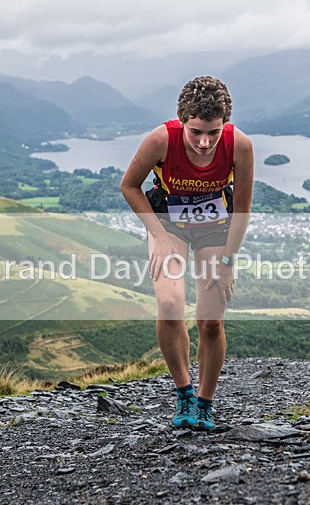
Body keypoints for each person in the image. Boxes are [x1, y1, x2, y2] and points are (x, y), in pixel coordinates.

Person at [120, 76, 253, 430]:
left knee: (210, 320)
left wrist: (228, 262)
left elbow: (242, 210)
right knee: (169, 303)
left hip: (215, 227)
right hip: (168, 224)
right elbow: (129, 185)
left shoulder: (239, 145)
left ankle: (206, 404)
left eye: (213, 131)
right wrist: (158, 235)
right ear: (182, 121)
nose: (205, 142)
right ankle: (184, 393)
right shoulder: (160, 139)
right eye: (195, 132)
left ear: (224, 123)